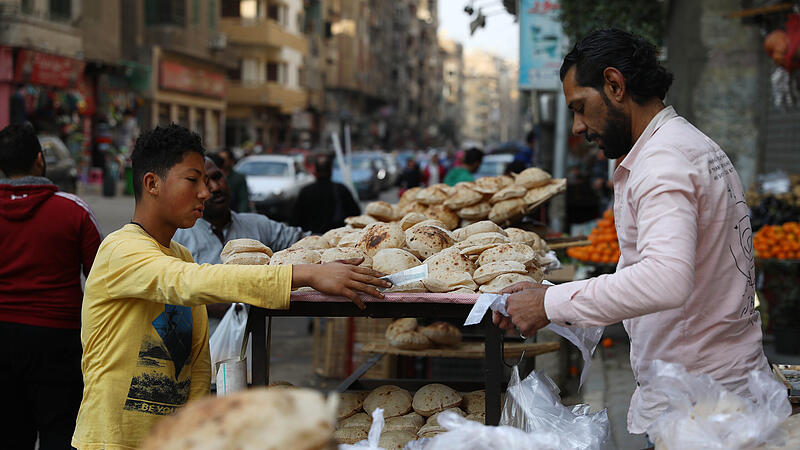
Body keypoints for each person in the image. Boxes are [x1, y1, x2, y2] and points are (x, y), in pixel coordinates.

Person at [494, 29, 769, 439]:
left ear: (615, 85)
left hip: (703, 410)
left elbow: (664, 279)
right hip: (715, 396)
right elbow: (646, 276)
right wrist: (547, 302)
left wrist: (550, 302)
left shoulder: (663, 161)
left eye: (581, 108)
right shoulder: (686, 144)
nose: (577, 127)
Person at [71, 124, 390, 449]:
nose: (205, 192)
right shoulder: (120, 249)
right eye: (192, 180)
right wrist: (302, 275)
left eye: (207, 181)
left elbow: (197, 363)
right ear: (152, 183)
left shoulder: (181, 254)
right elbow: (186, 283)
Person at [0, 123, 102, 449]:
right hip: (58, 339)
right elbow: (102, 280)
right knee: (61, 432)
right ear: (40, 160)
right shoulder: (73, 210)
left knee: (9, 435)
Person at [173, 154, 309, 330]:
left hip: (253, 349)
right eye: (205, 183)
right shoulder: (176, 238)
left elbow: (307, 243)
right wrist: (209, 305)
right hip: (201, 350)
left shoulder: (257, 225)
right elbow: (166, 296)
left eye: (217, 177)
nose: (215, 188)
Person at [291, 153, 361, 234]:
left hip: (310, 239)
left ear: (315, 171)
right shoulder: (341, 189)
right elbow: (356, 214)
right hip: (337, 238)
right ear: (331, 171)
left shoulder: (305, 191)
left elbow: (295, 220)